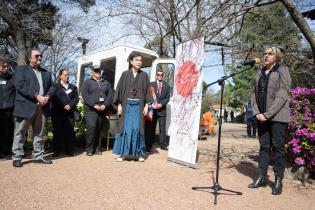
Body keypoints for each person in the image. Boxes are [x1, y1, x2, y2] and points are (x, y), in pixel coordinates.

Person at [248, 47, 291, 195]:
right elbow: (253, 93)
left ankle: (278, 179)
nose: (266, 56)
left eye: (270, 54)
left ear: (276, 57)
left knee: (278, 148)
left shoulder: (282, 70)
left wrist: (267, 114)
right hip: (261, 116)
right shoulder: (259, 71)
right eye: (265, 53)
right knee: (264, 147)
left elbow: (282, 95)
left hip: (278, 116)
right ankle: (262, 176)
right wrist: (257, 112)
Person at [12, 48, 55, 167]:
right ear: (29, 58)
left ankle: (38, 156)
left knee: (39, 133)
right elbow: (20, 85)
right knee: (20, 132)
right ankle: (17, 157)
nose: (39, 58)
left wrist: (47, 96)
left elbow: (52, 87)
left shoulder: (46, 72)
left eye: (40, 56)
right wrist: (37, 96)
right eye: (36, 56)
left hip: (42, 107)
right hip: (25, 106)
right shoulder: (21, 70)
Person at [112, 52, 151, 162]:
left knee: (137, 129)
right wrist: (119, 105)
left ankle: (138, 154)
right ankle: (123, 154)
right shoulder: (125, 74)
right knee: (125, 129)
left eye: (140, 60)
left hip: (139, 106)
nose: (139, 62)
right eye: (137, 60)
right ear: (131, 61)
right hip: (126, 106)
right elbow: (119, 90)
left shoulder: (144, 75)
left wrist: (146, 106)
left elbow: (148, 91)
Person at [81, 66, 113, 156]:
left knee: (99, 128)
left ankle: (97, 148)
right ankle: (89, 149)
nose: (98, 72)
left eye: (99, 71)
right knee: (91, 127)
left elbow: (110, 94)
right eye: (96, 71)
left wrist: (105, 105)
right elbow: (84, 94)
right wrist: (93, 105)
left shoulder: (106, 82)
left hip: (102, 109)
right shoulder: (87, 82)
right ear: (92, 73)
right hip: (90, 109)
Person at [51, 68, 79, 157]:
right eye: (65, 75)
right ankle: (57, 150)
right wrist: (62, 105)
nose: (67, 76)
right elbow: (53, 98)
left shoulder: (73, 87)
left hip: (69, 113)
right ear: (60, 76)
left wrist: (70, 105)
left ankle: (69, 150)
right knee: (57, 131)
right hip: (57, 113)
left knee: (69, 132)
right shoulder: (55, 86)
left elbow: (76, 98)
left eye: (68, 75)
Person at [145, 69, 170, 153]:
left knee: (162, 129)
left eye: (161, 75)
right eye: (158, 74)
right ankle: (148, 146)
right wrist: (150, 104)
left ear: (163, 76)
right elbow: (148, 95)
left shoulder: (166, 86)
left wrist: (160, 104)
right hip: (152, 111)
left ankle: (163, 145)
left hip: (162, 110)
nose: (160, 76)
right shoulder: (151, 84)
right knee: (150, 129)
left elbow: (167, 98)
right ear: (156, 75)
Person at [0, 59, 15, 158]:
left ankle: (8, 150)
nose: (5, 68)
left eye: (6, 66)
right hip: (0, 109)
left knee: (9, 130)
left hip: (10, 108)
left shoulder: (11, 78)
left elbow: (15, 92)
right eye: (3, 66)